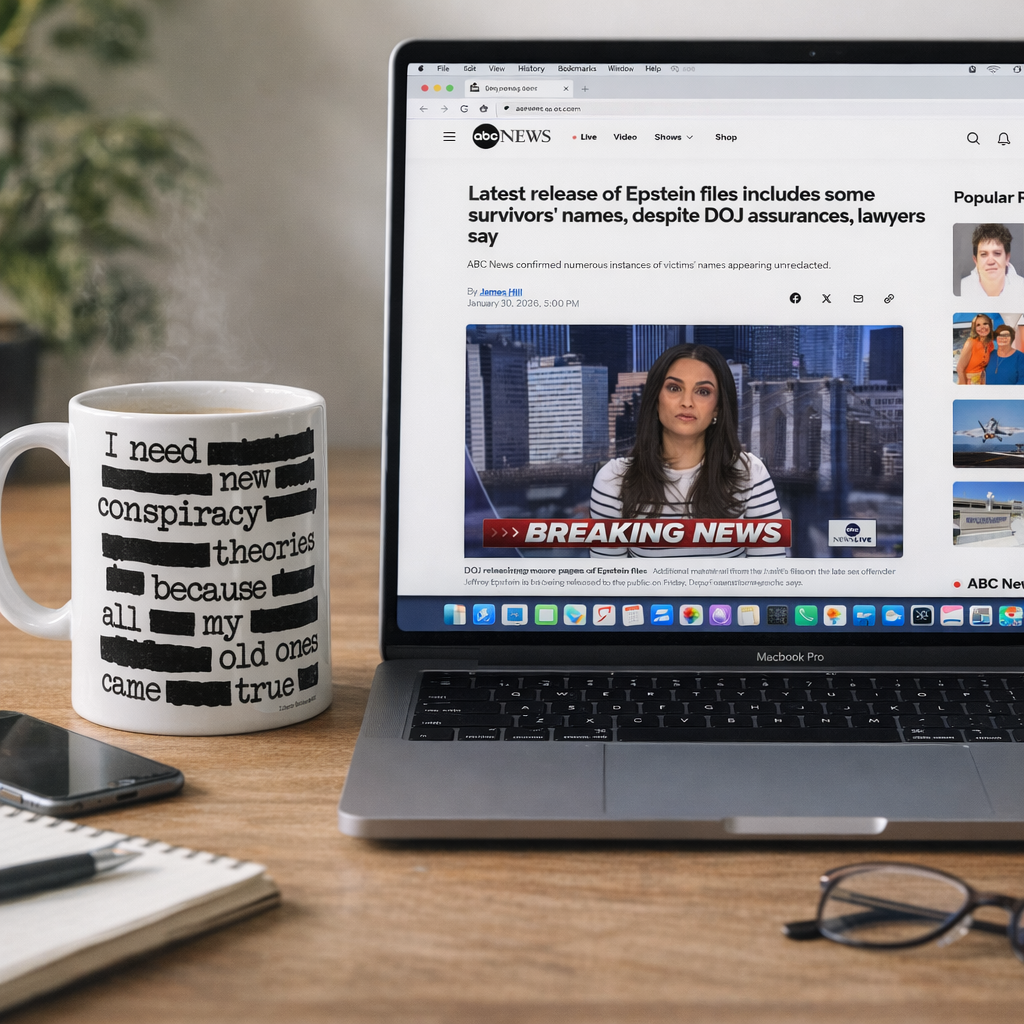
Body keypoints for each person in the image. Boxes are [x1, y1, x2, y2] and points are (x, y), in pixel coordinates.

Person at [590, 344, 786, 558]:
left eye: (703, 392)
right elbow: (610, 585)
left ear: (717, 408)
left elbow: (769, 579)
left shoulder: (750, 473)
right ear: (656, 399)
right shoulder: (613, 480)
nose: (687, 403)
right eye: (674, 388)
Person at [959, 223, 1024, 304]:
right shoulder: (962, 288)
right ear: (976, 261)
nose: (990, 261)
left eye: (997, 253)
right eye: (983, 254)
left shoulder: (1022, 288)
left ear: (1007, 258)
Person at [956, 313, 995, 385]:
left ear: (990, 325)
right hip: (968, 381)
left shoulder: (990, 343)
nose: (982, 327)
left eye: (985, 323)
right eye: (978, 325)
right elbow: (960, 369)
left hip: (982, 379)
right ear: (975, 328)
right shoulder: (971, 342)